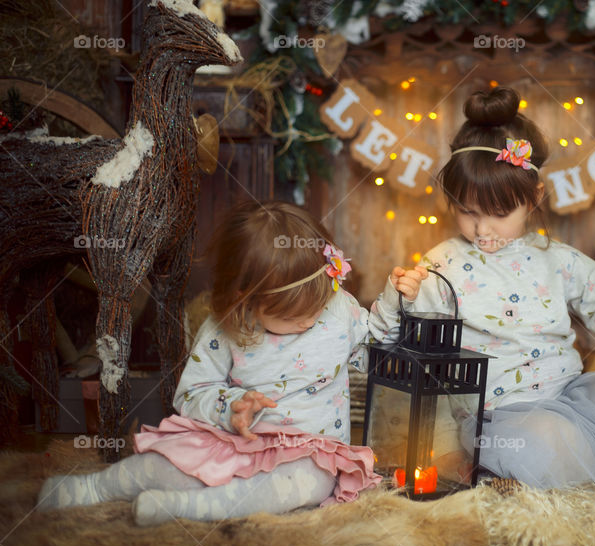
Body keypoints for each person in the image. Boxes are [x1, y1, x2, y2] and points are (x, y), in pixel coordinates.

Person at [369, 87, 595, 490]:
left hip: (572, 397)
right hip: (501, 414)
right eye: (467, 212)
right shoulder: (442, 265)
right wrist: (399, 296)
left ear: (534, 198)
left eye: (499, 214)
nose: (482, 229)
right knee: (536, 442)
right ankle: (529, 471)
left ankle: (585, 458)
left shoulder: (558, 260)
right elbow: (390, 339)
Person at [38, 200, 380, 524]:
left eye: (317, 305)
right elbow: (190, 394)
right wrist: (231, 407)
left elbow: (376, 349)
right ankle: (95, 488)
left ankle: (190, 509)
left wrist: (396, 301)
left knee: (307, 484)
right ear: (246, 300)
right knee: (167, 463)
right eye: (292, 315)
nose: (309, 320)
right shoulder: (225, 328)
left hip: (308, 452)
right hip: (233, 441)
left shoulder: (339, 309)